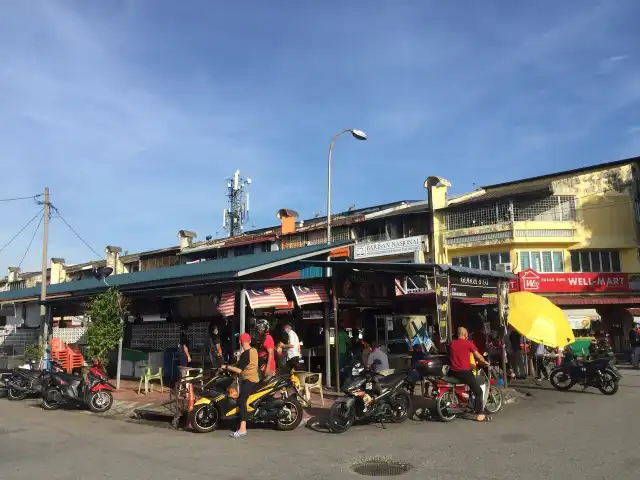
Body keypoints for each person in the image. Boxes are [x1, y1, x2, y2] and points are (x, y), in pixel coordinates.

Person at [448, 326, 491, 422]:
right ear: (465, 334)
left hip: (453, 372)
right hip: (464, 372)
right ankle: (480, 413)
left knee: (470, 383)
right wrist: (485, 362)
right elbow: (479, 356)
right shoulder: (468, 343)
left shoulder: (452, 344)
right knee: (478, 391)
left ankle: (468, 402)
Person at [221, 333, 259, 438]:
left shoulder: (245, 354)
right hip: (255, 379)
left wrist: (226, 367)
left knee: (242, 401)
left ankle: (243, 429)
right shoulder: (254, 351)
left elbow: (238, 369)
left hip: (249, 380)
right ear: (250, 341)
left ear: (240, 342)